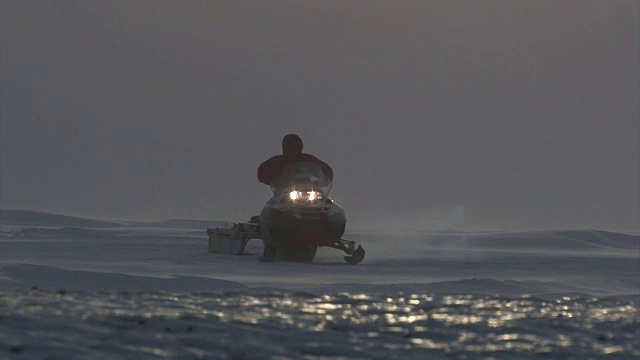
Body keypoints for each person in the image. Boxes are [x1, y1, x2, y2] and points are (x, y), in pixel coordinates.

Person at [258, 134, 333, 185]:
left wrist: (322, 180)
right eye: (291, 145)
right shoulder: (278, 161)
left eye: (296, 144)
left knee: (331, 206)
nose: (294, 147)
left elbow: (324, 168)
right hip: (285, 194)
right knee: (271, 207)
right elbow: (263, 170)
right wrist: (273, 181)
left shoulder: (307, 159)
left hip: (309, 192)